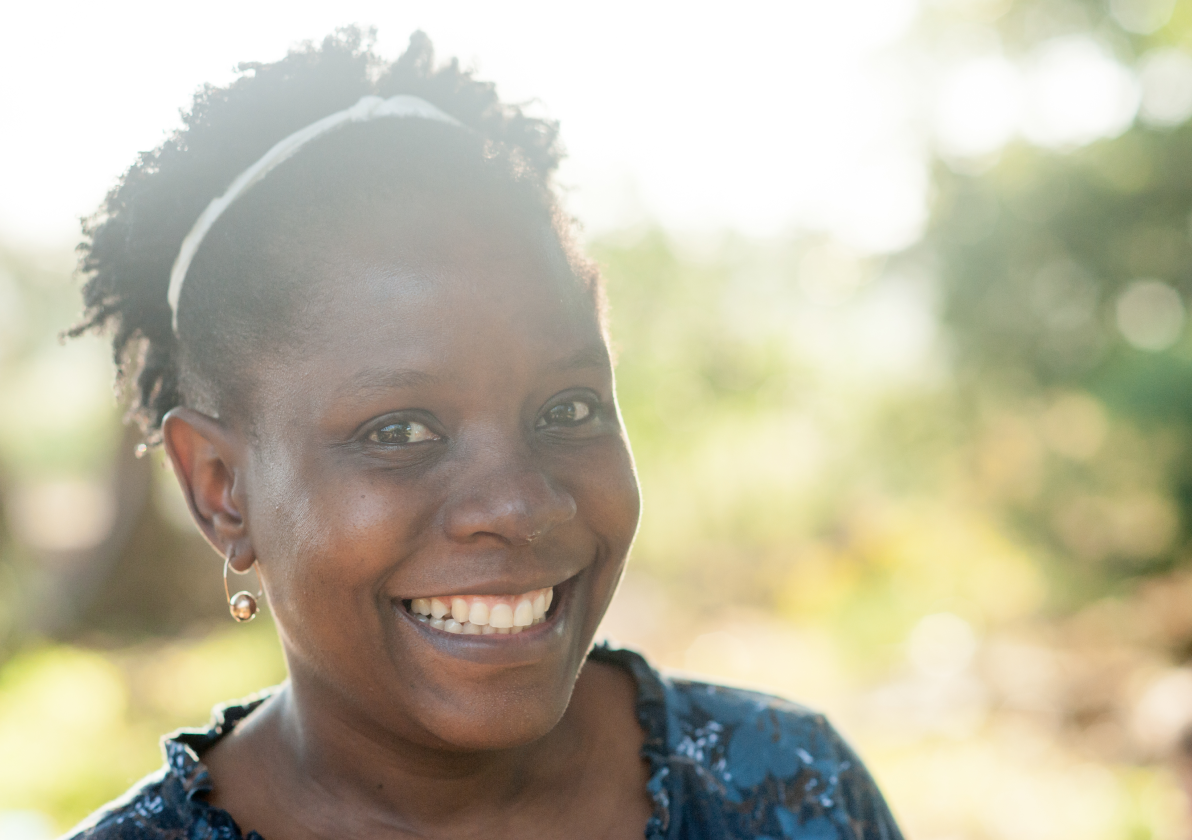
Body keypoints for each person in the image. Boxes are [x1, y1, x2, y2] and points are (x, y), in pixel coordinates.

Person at [64, 28, 904, 840]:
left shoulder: (798, 792)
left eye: (568, 411)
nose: (519, 504)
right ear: (220, 487)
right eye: (400, 430)